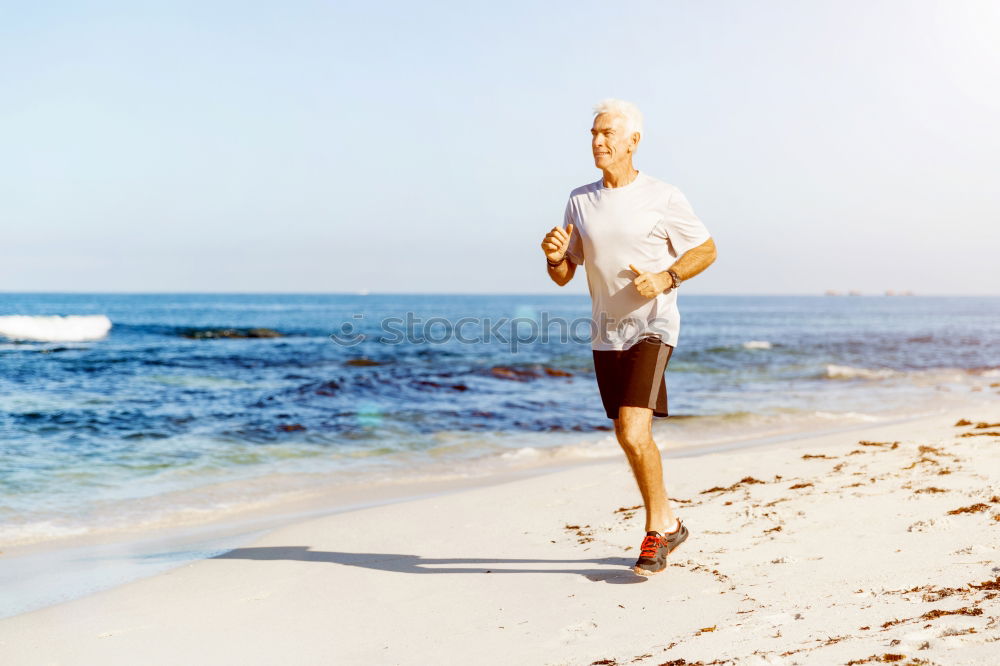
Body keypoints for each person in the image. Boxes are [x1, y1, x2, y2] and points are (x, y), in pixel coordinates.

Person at [540, 98, 717, 576]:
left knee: (632, 429)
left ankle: (657, 530)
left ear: (633, 141)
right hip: (606, 334)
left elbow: (706, 249)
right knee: (628, 435)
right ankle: (671, 522)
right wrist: (554, 255)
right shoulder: (580, 199)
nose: (598, 141)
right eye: (593, 134)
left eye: (608, 134)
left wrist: (668, 277)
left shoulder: (663, 196)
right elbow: (564, 273)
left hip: (653, 327)